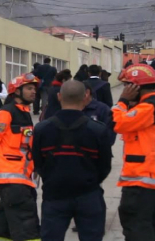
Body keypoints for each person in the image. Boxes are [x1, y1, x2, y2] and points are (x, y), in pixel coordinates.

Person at [33, 80, 112, 240]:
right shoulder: (98, 130)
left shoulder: (41, 129)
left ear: (59, 97)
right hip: (89, 194)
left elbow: (38, 164)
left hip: (54, 194)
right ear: (85, 98)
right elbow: (105, 167)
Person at [112, 64, 155, 241]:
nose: (125, 89)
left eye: (127, 85)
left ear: (135, 87)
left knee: (135, 222)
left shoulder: (147, 108)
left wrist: (122, 101)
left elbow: (116, 123)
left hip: (142, 177)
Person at [0, 73, 41, 241]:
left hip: (22, 177)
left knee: (6, 216)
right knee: (26, 222)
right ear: (17, 91)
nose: (33, 92)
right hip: (12, 178)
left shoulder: (24, 113)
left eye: (34, 88)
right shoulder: (6, 113)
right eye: (29, 88)